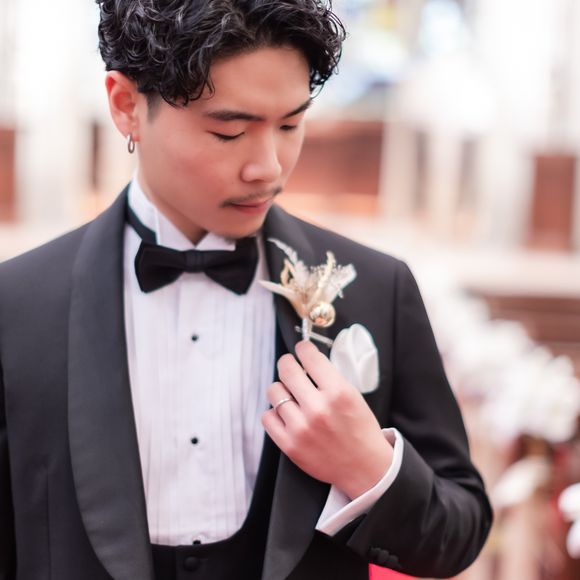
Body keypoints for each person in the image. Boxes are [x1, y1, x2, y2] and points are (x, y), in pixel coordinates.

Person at [0, 1, 492, 579]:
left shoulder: (375, 288)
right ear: (127, 105)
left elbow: (459, 530)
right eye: (228, 131)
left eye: (290, 125)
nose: (268, 168)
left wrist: (368, 467)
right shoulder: (17, 305)